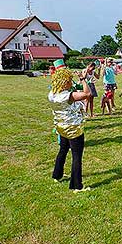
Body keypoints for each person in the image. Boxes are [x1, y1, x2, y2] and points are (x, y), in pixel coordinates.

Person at [48, 59, 91, 193]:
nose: (70, 82)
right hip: (73, 129)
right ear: (63, 81)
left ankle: (57, 175)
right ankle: (77, 185)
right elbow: (87, 94)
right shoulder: (68, 96)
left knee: (63, 151)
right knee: (76, 156)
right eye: (69, 80)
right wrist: (83, 80)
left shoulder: (52, 94)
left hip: (61, 127)